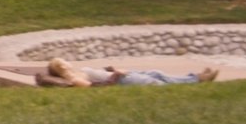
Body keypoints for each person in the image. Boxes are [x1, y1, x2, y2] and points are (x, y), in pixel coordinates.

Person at [38, 58, 218, 86]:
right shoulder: (75, 79)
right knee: (157, 83)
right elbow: (94, 87)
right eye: (63, 62)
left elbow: (97, 76)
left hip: (122, 75)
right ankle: (199, 79)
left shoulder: (78, 72)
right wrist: (115, 75)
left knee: (157, 73)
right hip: (121, 81)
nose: (67, 62)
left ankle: (196, 77)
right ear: (62, 68)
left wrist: (110, 70)